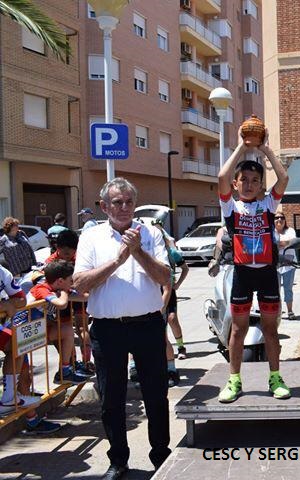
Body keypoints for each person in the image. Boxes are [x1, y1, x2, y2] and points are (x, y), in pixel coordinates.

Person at [73, 177, 172, 479]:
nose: (124, 207)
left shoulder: (151, 233)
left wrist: (139, 251)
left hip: (147, 326)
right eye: (117, 202)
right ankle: (118, 460)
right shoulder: (91, 238)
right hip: (107, 329)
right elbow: (80, 283)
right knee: (111, 398)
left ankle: (161, 455)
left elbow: (165, 277)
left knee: (156, 394)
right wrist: (118, 260)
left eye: (129, 201)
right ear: (104, 206)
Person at [216, 127, 290, 403]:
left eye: (254, 180)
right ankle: (234, 380)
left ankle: (275, 378)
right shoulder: (231, 208)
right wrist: (240, 147)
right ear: (236, 185)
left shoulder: (269, 206)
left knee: (271, 330)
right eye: (243, 180)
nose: (248, 184)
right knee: (237, 330)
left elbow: (283, 177)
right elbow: (222, 176)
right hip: (243, 275)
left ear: (261, 185)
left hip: (268, 275)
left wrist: (265, 149)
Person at [0, 264, 61, 433]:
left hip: (8, 327)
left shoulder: (2, 272)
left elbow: (21, 300)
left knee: (17, 346)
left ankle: (16, 405)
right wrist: (4, 305)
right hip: (10, 323)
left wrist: (8, 304)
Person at [28, 261, 87, 385]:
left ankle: (65, 371)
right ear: (60, 281)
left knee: (67, 331)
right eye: (71, 280)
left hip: (34, 330)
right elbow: (61, 304)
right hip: (21, 333)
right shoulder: (41, 288)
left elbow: (85, 297)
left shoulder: (58, 288)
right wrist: (65, 293)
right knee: (22, 373)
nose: (72, 283)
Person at [152, 219, 189, 387]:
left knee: (171, 320)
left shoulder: (171, 253)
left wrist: (178, 284)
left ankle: (178, 353)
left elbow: (185, 268)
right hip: (152, 293)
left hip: (167, 292)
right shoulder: (147, 253)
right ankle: (135, 367)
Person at [273, 212, 297, 320]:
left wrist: (277, 244)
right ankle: (277, 312)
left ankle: (290, 311)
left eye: (281, 217)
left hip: (289, 264)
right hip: (275, 265)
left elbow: (292, 241)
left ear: (285, 220)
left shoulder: (290, 231)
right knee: (275, 290)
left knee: (288, 289)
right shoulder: (271, 232)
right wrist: (284, 243)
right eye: (276, 218)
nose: (279, 220)